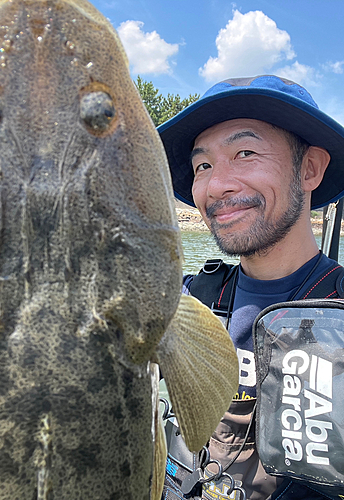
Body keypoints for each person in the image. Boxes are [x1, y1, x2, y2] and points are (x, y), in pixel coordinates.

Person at [157, 75, 344, 500]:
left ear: (309, 168)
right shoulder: (185, 303)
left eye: (245, 153)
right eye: (203, 165)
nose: (217, 185)